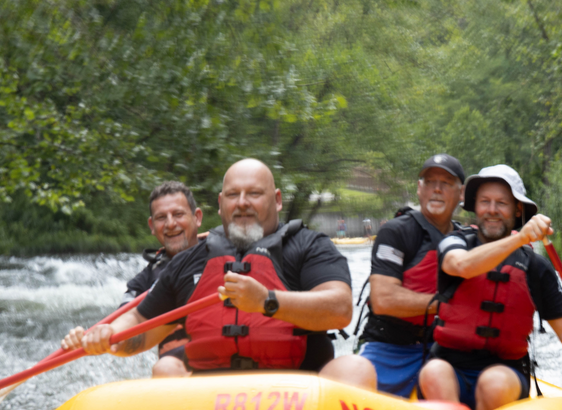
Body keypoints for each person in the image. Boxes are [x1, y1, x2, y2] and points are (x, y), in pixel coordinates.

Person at [61, 159, 356, 379]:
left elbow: (340, 308)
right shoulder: (191, 259)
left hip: (295, 387)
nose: (242, 203)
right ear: (220, 203)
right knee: (166, 369)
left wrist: (267, 301)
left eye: (254, 194)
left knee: (353, 367)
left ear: (277, 200)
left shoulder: (308, 246)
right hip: (210, 395)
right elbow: (140, 320)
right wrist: (107, 335)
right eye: (232, 195)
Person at [418, 164, 562, 410]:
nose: (492, 210)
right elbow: (460, 265)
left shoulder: (535, 267)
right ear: (475, 206)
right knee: (434, 372)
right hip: (449, 363)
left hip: (506, 371)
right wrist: (520, 238)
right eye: (485, 202)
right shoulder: (454, 242)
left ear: (517, 209)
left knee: (493, 383)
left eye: (501, 203)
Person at [334, 154, 466, 398]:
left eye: (446, 183)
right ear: (419, 189)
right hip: (389, 346)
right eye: (429, 182)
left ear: (461, 193)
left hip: (445, 349)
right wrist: (450, 304)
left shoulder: (468, 240)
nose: (436, 189)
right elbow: (384, 300)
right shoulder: (396, 232)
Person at [120, 181, 203, 363]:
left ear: (197, 217)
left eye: (178, 214)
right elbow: (122, 322)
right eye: (161, 218)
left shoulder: (222, 253)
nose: (171, 224)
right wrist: (99, 334)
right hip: (174, 372)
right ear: (151, 225)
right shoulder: (143, 281)